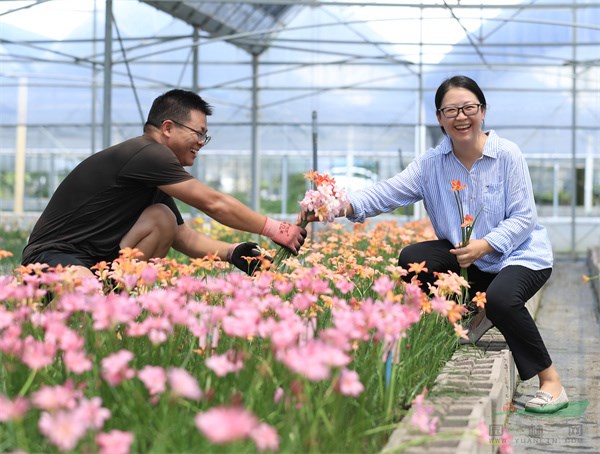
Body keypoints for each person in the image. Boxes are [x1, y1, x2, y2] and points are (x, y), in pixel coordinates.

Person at [333, 75, 566, 413]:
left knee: (502, 299)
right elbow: (387, 192)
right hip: (470, 260)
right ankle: (469, 312)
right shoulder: (431, 165)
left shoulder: (507, 155)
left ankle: (551, 381)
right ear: (440, 118)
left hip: (521, 255)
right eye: (451, 110)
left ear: (482, 111)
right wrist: (337, 206)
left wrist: (485, 244)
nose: (461, 116)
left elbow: (523, 218)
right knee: (413, 258)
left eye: (468, 107)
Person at [21, 89, 306, 278]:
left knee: (163, 218)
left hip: (96, 264)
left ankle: (114, 300)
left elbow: (182, 236)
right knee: (84, 293)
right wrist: (276, 229)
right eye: (198, 133)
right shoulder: (149, 154)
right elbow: (213, 203)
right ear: (168, 128)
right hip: (53, 257)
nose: (200, 143)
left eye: (204, 137)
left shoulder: (153, 174)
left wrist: (233, 253)